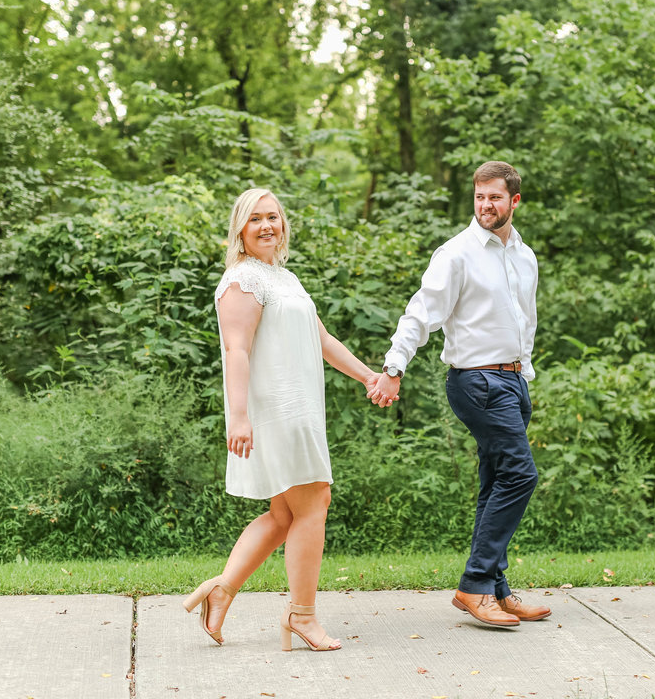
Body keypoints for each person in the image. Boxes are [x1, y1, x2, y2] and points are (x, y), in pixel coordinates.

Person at [183, 187, 386, 652]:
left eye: (273, 217)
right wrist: (238, 417)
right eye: (255, 219)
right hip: (275, 410)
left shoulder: (282, 278)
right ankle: (303, 616)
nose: (267, 226)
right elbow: (236, 350)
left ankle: (222, 589)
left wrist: (368, 377)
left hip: (300, 407)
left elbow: (322, 339)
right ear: (240, 229)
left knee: (282, 515)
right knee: (315, 501)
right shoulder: (242, 281)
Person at [368, 161, 550, 627]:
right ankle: (473, 586)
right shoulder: (457, 253)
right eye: (479, 197)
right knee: (520, 475)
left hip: (512, 381)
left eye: (495, 197)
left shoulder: (524, 256)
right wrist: (393, 367)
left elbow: (525, 320)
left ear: (515, 201)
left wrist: (524, 371)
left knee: (497, 483)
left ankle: (497, 590)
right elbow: (420, 312)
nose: (486, 205)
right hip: (476, 381)